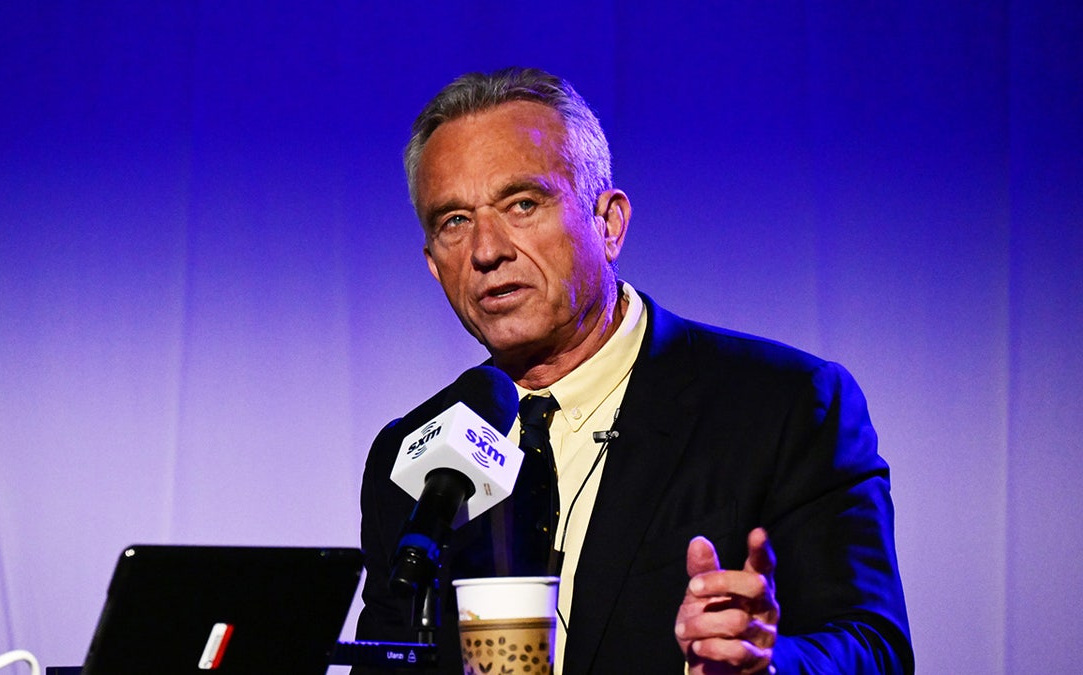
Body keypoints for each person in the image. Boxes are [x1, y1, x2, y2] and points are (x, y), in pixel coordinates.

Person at [354, 67, 912, 674]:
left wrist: (767, 664)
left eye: (522, 203)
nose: (487, 250)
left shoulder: (784, 405)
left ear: (609, 223)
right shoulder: (410, 456)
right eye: (454, 221)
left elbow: (873, 650)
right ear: (435, 265)